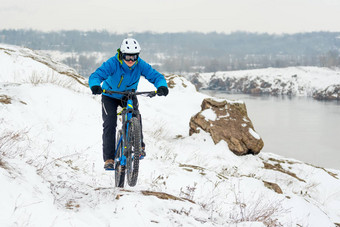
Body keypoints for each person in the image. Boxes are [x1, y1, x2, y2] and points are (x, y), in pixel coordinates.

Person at [89, 38, 169, 170]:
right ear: (121, 54)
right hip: (109, 94)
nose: (131, 60)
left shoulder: (140, 64)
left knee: (135, 116)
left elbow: (156, 76)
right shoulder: (112, 63)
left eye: (134, 57)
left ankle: (139, 146)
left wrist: (162, 86)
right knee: (110, 123)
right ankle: (109, 159)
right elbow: (96, 75)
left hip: (128, 95)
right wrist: (95, 85)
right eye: (128, 57)